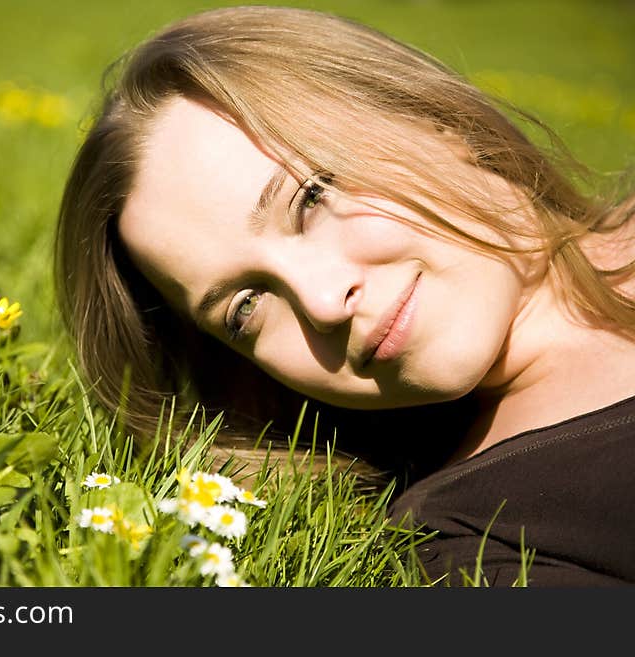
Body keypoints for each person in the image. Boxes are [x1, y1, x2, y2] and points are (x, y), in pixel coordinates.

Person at [53, 5, 635, 586]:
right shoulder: (478, 546)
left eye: (309, 199)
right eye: (245, 307)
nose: (323, 301)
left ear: (431, 118)